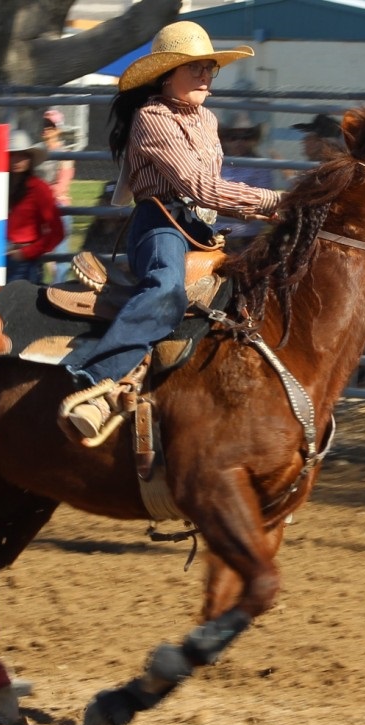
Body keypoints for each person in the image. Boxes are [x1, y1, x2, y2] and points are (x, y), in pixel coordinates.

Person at [60, 21, 280, 440]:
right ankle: (95, 380)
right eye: (194, 67)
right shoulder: (152, 117)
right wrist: (273, 202)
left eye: (209, 68)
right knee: (165, 289)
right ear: (167, 75)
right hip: (160, 224)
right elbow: (200, 187)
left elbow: (209, 195)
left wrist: (262, 215)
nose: (204, 75)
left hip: (199, 227)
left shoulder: (208, 120)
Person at [0, 129, 64, 284]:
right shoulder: (1, 187)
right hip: (2, 256)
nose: (17, 160)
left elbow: (57, 231)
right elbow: (4, 224)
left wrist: (26, 253)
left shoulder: (39, 188)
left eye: (23, 155)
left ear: (29, 159)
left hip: (22, 261)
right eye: (13, 154)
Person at [216, 119, 278, 253]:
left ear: (253, 141)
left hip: (248, 240)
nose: (239, 142)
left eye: (246, 137)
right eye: (233, 137)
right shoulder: (215, 163)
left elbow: (263, 202)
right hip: (215, 239)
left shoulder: (261, 166)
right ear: (224, 140)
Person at [40, 109, 76, 279]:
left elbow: (62, 185)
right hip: (38, 209)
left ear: (58, 129)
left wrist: (39, 192)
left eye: (51, 126)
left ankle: (58, 293)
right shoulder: (37, 153)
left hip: (58, 209)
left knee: (60, 259)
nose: (46, 129)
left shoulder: (65, 154)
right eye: (44, 125)